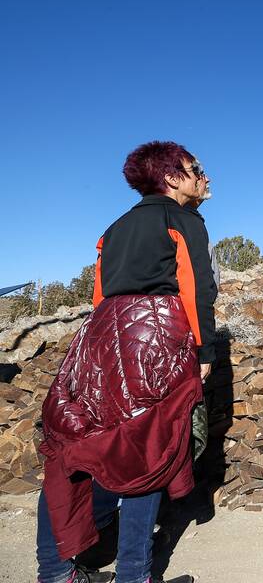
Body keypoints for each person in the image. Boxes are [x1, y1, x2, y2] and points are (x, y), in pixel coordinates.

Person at [36, 141, 216, 583]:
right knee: (147, 450)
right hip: (155, 337)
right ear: (172, 178)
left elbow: (99, 298)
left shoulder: (112, 229)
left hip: (99, 338)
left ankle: (57, 572)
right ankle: (135, 576)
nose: (205, 176)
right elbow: (195, 289)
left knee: (79, 447)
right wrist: (204, 350)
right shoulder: (183, 218)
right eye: (196, 168)